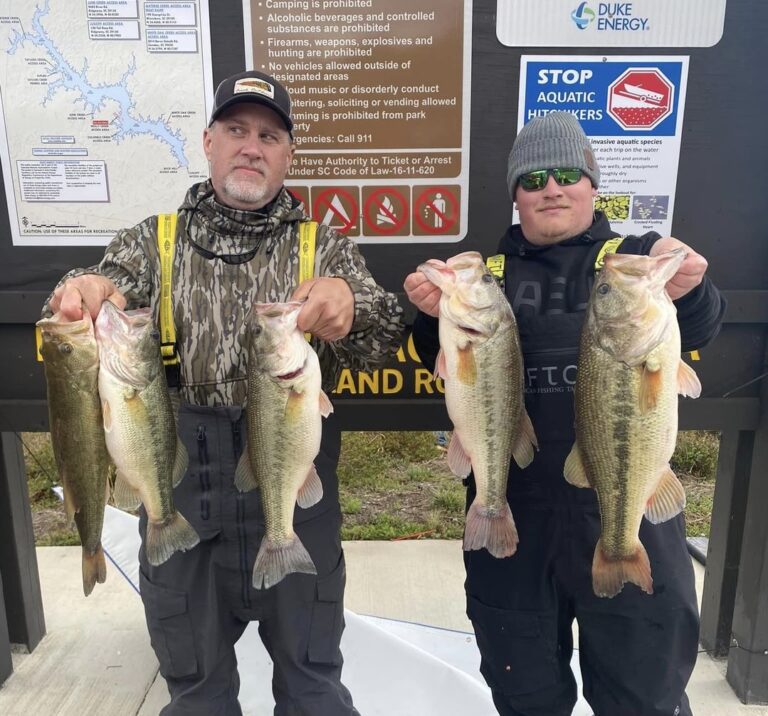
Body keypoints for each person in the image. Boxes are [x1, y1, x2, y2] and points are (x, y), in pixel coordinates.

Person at [45, 69, 404, 716]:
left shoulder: (323, 246)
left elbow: (378, 334)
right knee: (197, 690)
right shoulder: (152, 242)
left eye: (269, 136)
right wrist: (83, 291)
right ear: (208, 142)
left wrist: (349, 302)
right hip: (180, 478)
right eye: (236, 130)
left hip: (290, 481)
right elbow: (104, 280)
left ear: (288, 155)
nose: (251, 147)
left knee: (314, 686)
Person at [404, 111, 725, 716]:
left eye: (569, 174)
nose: (552, 188)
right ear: (516, 195)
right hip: (516, 518)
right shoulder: (485, 277)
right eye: (535, 178)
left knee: (644, 696)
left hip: (623, 500)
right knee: (525, 694)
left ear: (593, 186)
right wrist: (430, 316)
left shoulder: (633, 260)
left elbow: (703, 325)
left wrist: (694, 289)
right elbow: (435, 357)